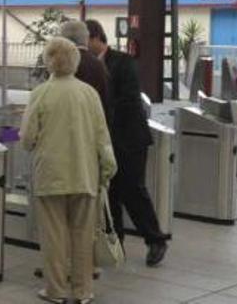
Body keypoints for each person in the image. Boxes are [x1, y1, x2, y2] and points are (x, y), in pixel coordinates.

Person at [20, 37, 117, 304]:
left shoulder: (40, 93)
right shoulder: (89, 93)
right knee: (83, 236)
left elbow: (27, 139)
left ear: (48, 61)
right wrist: (107, 171)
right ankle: (83, 291)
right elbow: (102, 137)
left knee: (54, 236)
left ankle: (55, 290)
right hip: (85, 174)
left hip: (50, 174)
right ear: (75, 60)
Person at [85, 19, 168, 267]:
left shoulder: (123, 62)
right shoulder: (86, 66)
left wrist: (100, 111)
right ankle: (115, 241)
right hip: (104, 140)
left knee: (133, 190)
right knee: (109, 192)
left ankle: (155, 240)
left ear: (97, 37)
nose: (84, 46)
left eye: (86, 41)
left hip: (129, 138)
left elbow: (130, 98)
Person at [60, 20, 111, 117]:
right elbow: (105, 102)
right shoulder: (98, 65)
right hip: (90, 122)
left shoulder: (58, 63)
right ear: (86, 38)